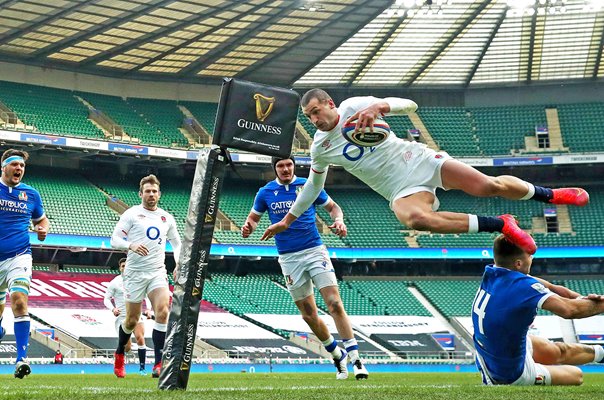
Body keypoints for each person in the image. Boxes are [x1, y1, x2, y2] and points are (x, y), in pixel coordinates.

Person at [261, 89, 589, 254]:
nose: (315, 120)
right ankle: (501, 223)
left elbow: (411, 106)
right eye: (309, 117)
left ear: (330, 104)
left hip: (417, 160)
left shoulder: (354, 106)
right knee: (415, 220)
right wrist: (288, 219)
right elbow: (313, 187)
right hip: (399, 189)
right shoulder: (320, 147)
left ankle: (552, 195)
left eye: (317, 111)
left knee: (488, 185)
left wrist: (379, 107)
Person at [242, 156, 369, 380]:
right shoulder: (265, 192)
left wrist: (339, 220)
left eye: (288, 164)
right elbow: (253, 219)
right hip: (289, 258)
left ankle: (356, 359)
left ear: (294, 166)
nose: (285, 169)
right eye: (280, 166)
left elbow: (333, 207)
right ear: (274, 169)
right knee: (309, 315)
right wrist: (248, 227)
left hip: (314, 250)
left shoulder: (308, 185)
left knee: (334, 303)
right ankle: (336, 354)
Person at [472, 234, 604, 386]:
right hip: (509, 372)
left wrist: (585, 299)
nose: (532, 258)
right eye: (529, 255)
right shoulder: (522, 286)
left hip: (497, 351)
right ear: (518, 263)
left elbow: (553, 288)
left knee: (558, 351)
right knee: (576, 375)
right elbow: (570, 310)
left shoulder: (493, 272)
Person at [110, 174, 181, 379]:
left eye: (154, 191)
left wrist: (178, 263)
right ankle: (119, 353)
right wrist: (129, 245)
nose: (151, 194)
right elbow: (115, 239)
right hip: (134, 274)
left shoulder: (167, 218)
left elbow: (177, 244)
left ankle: (159, 362)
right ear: (140, 194)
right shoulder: (132, 214)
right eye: (147, 191)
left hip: (157, 272)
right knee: (131, 321)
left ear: (159, 194)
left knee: (163, 311)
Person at [0, 148, 49, 379]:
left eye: (22, 166)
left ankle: (21, 359)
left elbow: (41, 220)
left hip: (18, 256)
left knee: (19, 302)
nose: (19, 169)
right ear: (4, 167)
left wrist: (43, 230)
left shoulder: (31, 194)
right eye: (14, 164)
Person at [104, 257, 152, 376]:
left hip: (136, 315)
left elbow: (146, 296)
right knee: (126, 346)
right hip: (122, 318)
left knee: (141, 338)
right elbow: (106, 299)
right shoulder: (115, 282)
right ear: (120, 268)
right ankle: (119, 361)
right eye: (123, 266)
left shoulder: (138, 280)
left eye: (127, 265)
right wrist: (113, 309)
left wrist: (148, 309)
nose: (125, 268)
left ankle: (142, 369)